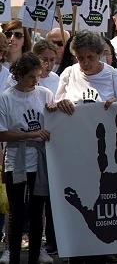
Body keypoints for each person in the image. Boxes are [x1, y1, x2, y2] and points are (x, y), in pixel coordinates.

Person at [0, 53, 54, 264]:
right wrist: (31, 134)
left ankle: (34, 256)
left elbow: (54, 121)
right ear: (19, 75)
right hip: (16, 160)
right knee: (16, 212)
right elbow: (2, 134)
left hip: (39, 161)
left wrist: (56, 110)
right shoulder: (6, 98)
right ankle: (13, 256)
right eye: (31, 77)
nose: (35, 81)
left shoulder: (45, 94)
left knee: (36, 210)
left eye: (38, 76)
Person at [55, 31, 117, 106]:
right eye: (80, 58)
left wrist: (116, 105)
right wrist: (62, 104)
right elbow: (57, 106)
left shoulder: (115, 76)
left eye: (90, 57)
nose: (86, 62)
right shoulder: (69, 74)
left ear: (100, 54)